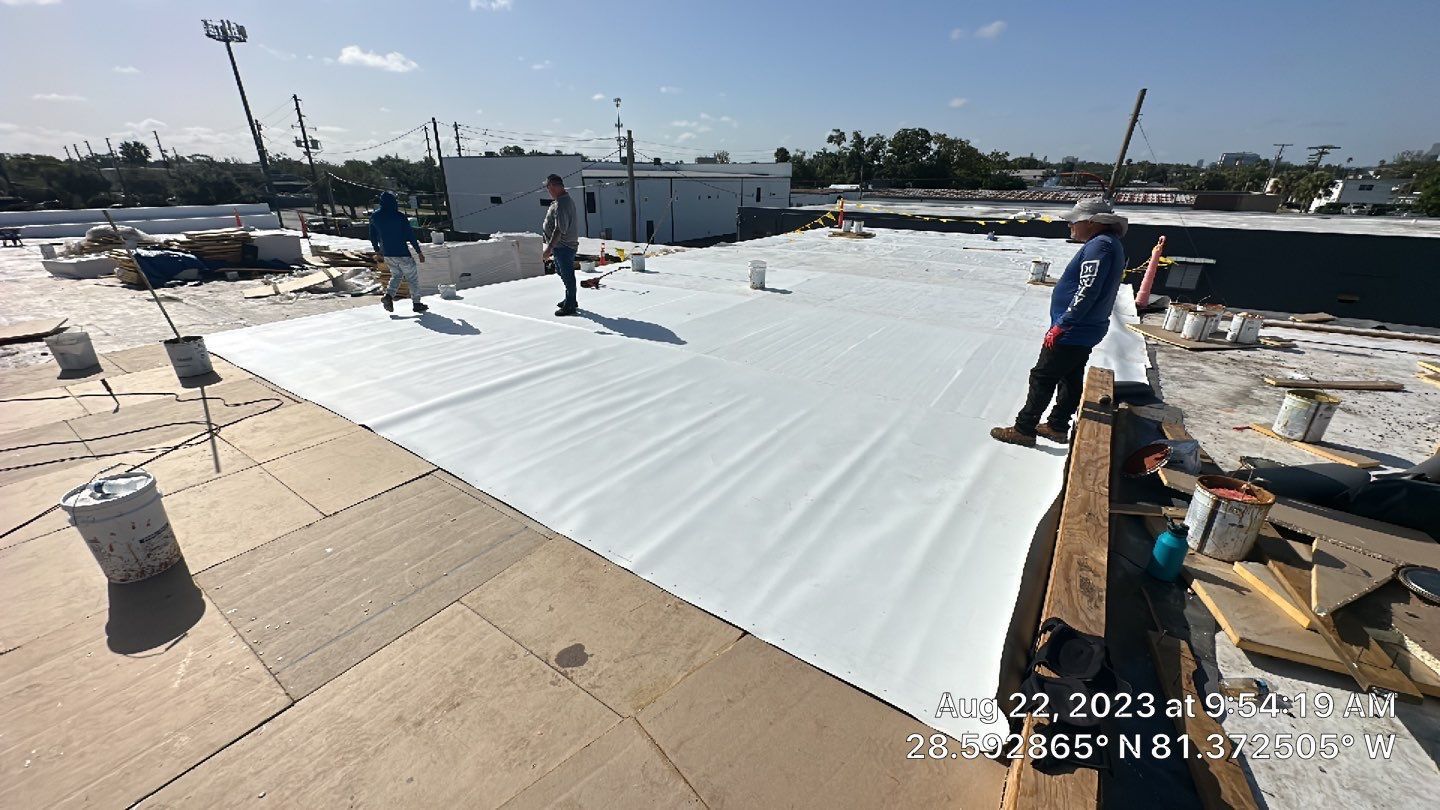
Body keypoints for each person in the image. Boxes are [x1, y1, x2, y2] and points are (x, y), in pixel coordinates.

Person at [991, 198, 1129, 448]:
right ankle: (1057, 425)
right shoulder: (1108, 244)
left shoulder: (1100, 247)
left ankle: (1024, 429)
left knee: (1043, 376)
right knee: (1070, 375)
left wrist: (1063, 324)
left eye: (1074, 222)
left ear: (1091, 222)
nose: (1070, 227)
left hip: (1075, 329)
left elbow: (1088, 289)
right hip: (1086, 328)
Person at [369, 190, 427, 314]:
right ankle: (417, 304)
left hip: (388, 254)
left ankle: (388, 296)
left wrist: (377, 250)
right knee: (412, 278)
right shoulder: (400, 216)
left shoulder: (375, 216)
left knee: (396, 275)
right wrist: (419, 252)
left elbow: (372, 235)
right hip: (403, 254)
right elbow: (410, 236)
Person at [541, 174, 580, 316]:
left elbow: (559, 229)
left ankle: (570, 305)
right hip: (561, 247)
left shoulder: (563, 203)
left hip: (564, 246)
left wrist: (549, 248)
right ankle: (570, 298)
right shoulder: (559, 201)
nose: (548, 190)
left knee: (567, 275)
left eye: (549, 187)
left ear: (555, 186)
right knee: (560, 271)